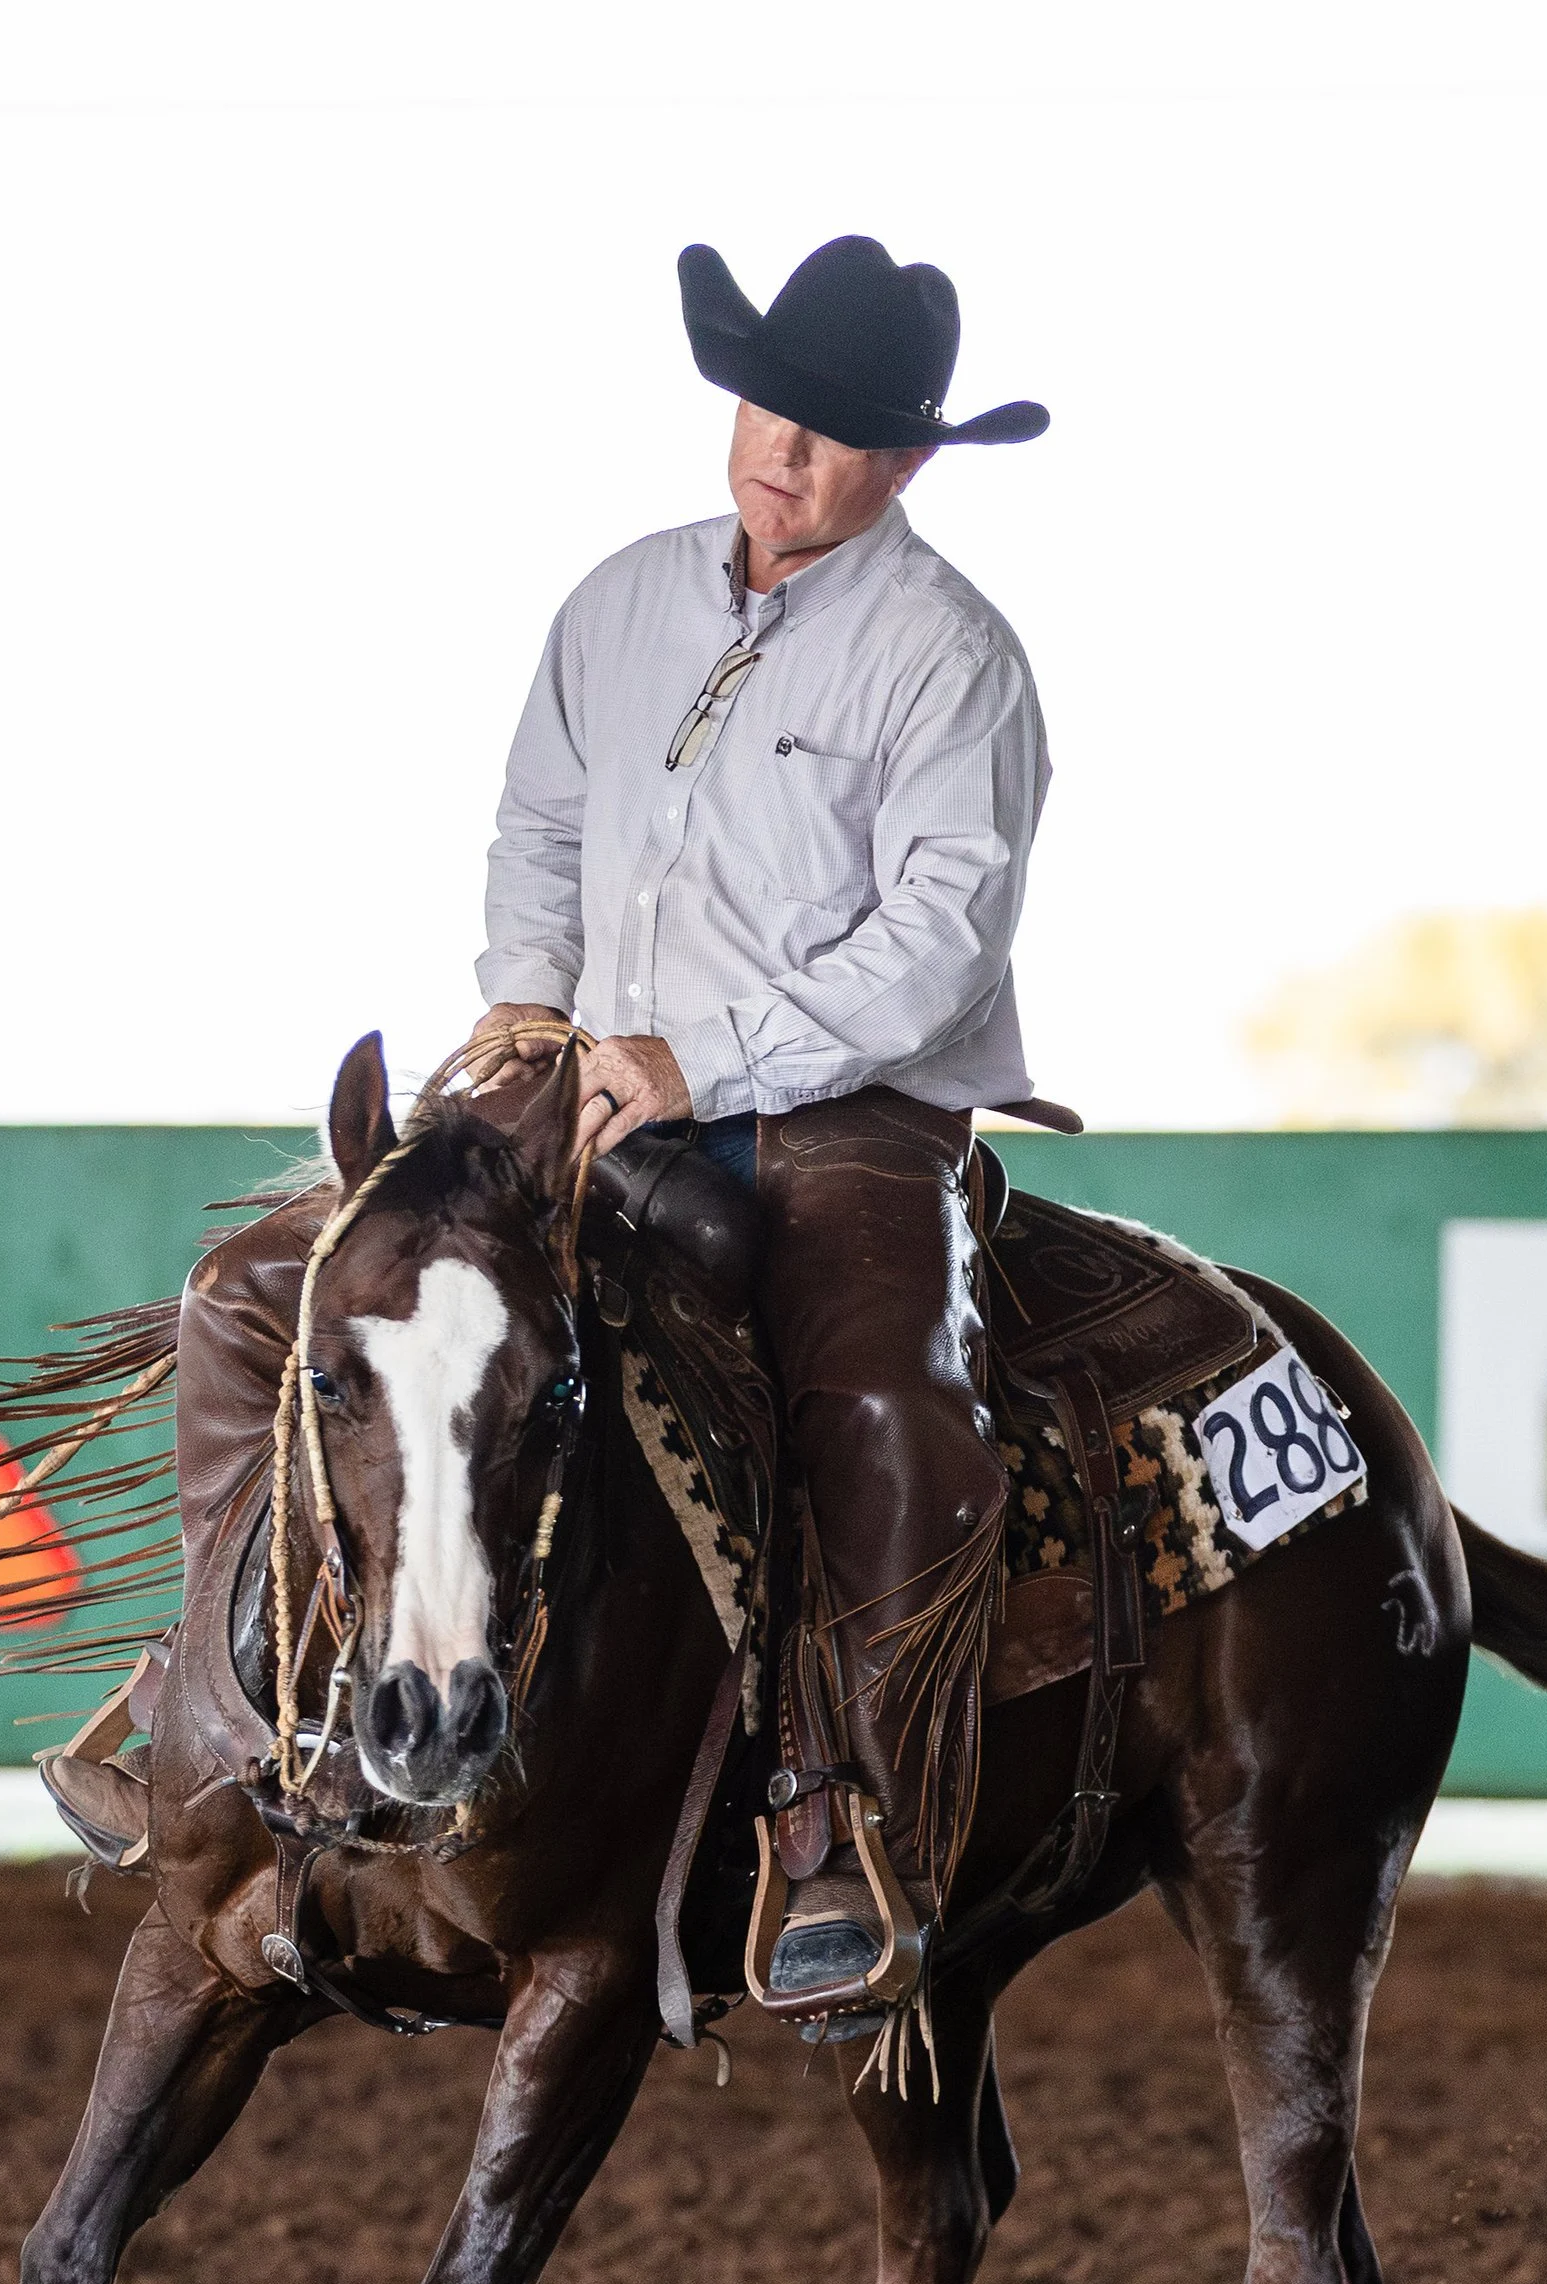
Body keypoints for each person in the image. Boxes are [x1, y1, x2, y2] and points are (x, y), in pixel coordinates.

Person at [472, 233, 1055, 2031]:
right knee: (365, 1283)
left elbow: (942, 935)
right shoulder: (620, 602)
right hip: (594, 1072)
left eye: (835, 432)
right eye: (767, 407)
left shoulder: (950, 657)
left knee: (874, 1400)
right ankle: (243, 1703)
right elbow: (540, 836)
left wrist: (701, 1060)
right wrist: (526, 1013)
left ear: (914, 461)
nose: (781, 452)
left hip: (852, 1116)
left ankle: (839, 1830)